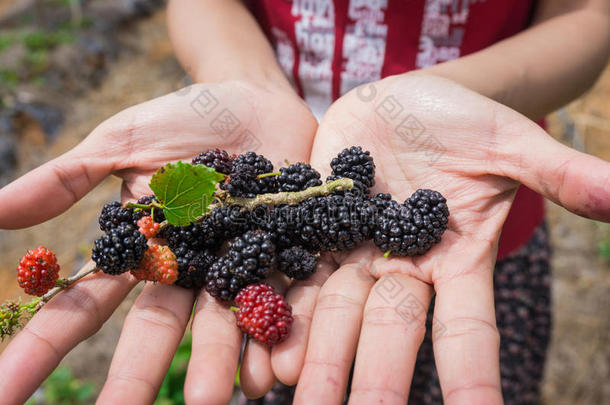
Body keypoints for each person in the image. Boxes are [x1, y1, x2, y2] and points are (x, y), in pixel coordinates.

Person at [0, 1, 608, 404]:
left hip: (480, 233)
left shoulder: (372, 210)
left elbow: (585, 17)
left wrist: (452, 93)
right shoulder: (252, 217)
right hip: (300, 198)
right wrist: (245, 81)